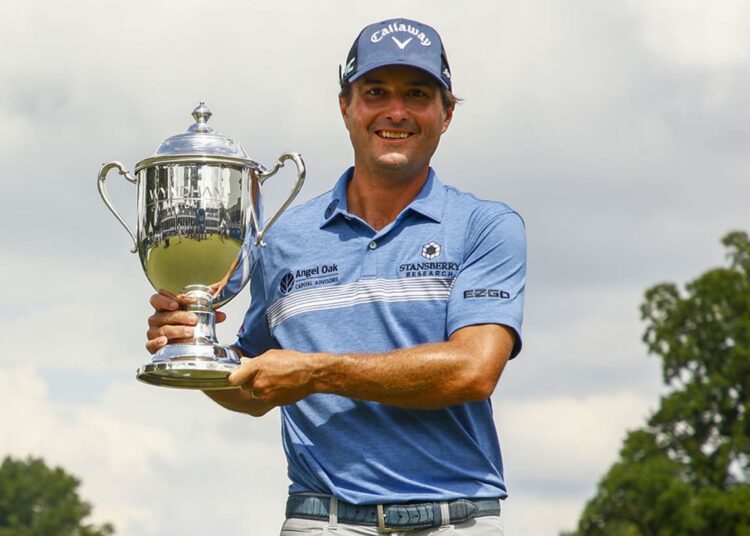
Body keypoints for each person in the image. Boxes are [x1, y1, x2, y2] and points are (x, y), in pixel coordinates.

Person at [146, 17, 526, 535]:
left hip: (455, 519)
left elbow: (473, 370)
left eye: (417, 93)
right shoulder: (281, 237)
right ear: (346, 105)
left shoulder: (485, 226)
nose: (396, 112)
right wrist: (196, 347)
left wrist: (319, 371)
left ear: (446, 113)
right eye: (375, 92)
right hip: (318, 519)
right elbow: (258, 386)